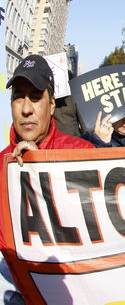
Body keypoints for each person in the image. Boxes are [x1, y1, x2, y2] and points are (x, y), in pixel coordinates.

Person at [1, 55, 95, 305]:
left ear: (52, 104)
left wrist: (41, 167)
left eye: (35, 97)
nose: (26, 108)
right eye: (18, 96)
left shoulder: (83, 154)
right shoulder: (1, 165)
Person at [53, 70, 87, 136]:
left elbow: (83, 123)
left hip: (69, 140)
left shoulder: (73, 97)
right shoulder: (74, 96)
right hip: (71, 138)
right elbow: (83, 124)